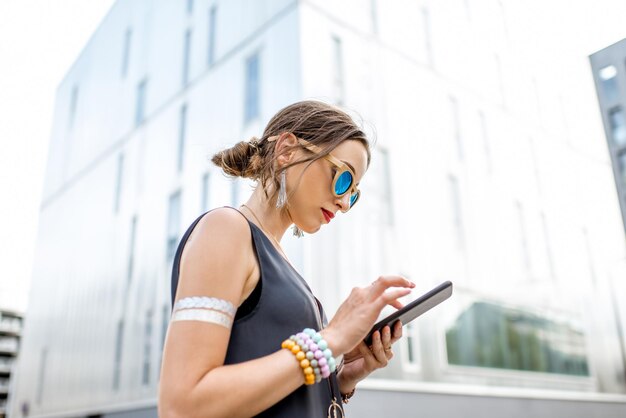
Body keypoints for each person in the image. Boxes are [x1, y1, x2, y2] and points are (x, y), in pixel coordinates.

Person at [158, 100, 415, 417]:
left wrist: (340, 375)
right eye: (344, 178)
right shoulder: (226, 230)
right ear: (286, 151)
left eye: (354, 193)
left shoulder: (278, 259)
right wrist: (331, 339)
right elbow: (182, 404)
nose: (346, 203)